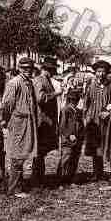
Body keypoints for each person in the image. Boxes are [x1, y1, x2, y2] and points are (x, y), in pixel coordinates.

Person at [1, 57, 39, 198]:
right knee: (17, 155)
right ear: (19, 68)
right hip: (18, 123)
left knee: (24, 153)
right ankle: (14, 189)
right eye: (24, 68)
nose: (27, 71)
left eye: (30, 68)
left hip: (28, 122)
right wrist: (5, 121)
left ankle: (19, 183)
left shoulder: (29, 82)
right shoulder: (14, 83)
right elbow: (6, 105)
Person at [83, 60, 111, 181]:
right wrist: (86, 117)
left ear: (107, 73)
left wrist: (109, 111)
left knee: (108, 145)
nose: (101, 74)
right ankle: (97, 172)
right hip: (93, 120)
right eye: (98, 71)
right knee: (95, 146)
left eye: (103, 72)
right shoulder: (91, 86)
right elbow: (86, 102)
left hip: (106, 121)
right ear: (95, 72)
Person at [33, 57, 63, 187]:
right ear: (45, 69)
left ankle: (39, 177)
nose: (53, 72)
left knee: (42, 151)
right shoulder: (40, 80)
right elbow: (40, 98)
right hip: (42, 120)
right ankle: (37, 178)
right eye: (51, 69)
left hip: (46, 119)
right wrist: (56, 94)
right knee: (39, 151)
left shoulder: (46, 80)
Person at [57, 89, 84, 185]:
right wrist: (69, 135)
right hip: (68, 140)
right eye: (72, 100)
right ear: (69, 100)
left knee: (74, 159)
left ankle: (70, 179)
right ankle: (61, 180)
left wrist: (81, 136)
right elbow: (62, 126)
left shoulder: (78, 111)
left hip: (77, 139)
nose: (74, 102)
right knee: (65, 159)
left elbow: (81, 125)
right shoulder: (65, 110)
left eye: (76, 100)